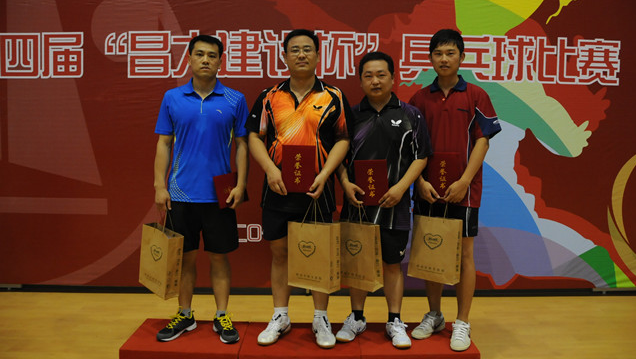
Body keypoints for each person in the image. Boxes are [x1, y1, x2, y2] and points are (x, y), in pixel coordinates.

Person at [246, 29, 352, 349]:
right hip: (277, 188)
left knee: (318, 255)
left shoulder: (333, 96)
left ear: (318, 55)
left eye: (308, 49)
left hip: (317, 190)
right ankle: (281, 315)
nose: (301, 54)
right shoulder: (269, 96)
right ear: (284, 56)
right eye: (295, 50)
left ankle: (321, 317)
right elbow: (254, 137)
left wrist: (326, 174)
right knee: (280, 253)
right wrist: (270, 170)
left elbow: (343, 139)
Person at [408, 29, 501, 351]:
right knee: (431, 250)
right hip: (428, 190)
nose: (444, 59)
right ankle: (434, 314)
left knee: (464, 255)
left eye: (450, 53)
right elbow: (413, 147)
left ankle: (462, 321)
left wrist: (464, 182)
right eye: (438, 53)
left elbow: (483, 141)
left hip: (465, 191)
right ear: (430, 58)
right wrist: (419, 182)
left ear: (462, 57)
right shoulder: (419, 99)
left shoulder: (476, 95)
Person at [153, 34, 249, 344]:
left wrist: (241, 184)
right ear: (190, 59)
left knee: (219, 258)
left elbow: (242, 144)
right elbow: (164, 143)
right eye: (199, 54)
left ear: (221, 61)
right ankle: (185, 314)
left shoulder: (234, 99)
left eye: (212, 55)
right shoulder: (172, 97)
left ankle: (222, 314)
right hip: (180, 192)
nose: (205, 60)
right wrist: (159, 185)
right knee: (186, 258)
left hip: (220, 193)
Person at [334, 51, 431, 349]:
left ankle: (394, 320)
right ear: (360, 81)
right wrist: (345, 183)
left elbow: (421, 156)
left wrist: (401, 188)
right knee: (358, 262)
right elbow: (338, 157)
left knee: (392, 263)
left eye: (381, 75)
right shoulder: (350, 115)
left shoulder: (411, 115)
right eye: (368, 76)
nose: (375, 81)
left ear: (393, 78)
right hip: (358, 205)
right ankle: (357, 317)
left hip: (394, 205)